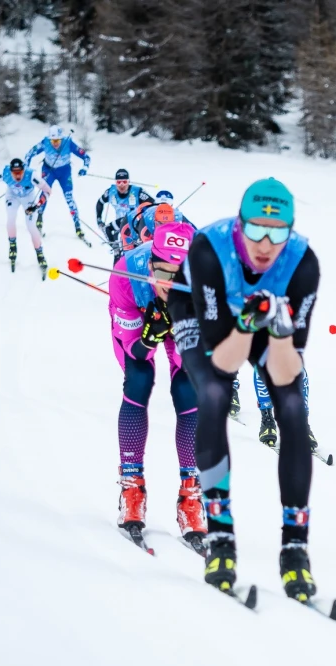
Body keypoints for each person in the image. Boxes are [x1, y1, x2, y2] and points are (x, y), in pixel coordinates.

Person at [166, 177, 321, 601]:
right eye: (255, 229)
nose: (266, 244)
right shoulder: (209, 249)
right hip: (202, 319)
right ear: (239, 223)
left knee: (292, 410)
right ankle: (220, 537)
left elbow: (288, 372)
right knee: (214, 396)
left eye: (277, 233)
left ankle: (295, 546)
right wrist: (249, 324)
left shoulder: (303, 263)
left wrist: (282, 331)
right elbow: (224, 361)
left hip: (263, 324)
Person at [108, 222, 207, 553]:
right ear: (150, 263)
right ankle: (132, 488)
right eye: (163, 270)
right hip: (138, 310)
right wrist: (149, 337)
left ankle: (191, 494)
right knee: (139, 378)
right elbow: (135, 351)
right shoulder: (127, 275)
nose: (170, 280)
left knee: (188, 389)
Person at [0, 157, 51, 279]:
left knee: (31, 226)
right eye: (15, 172)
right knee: (11, 218)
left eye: (20, 172)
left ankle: (39, 253)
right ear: (11, 171)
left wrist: (37, 206)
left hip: (28, 198)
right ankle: (12, 245)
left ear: (24, 170)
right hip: (12, 196)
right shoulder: (5, 173)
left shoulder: (31, 175)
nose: (18, 176)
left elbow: (47, 190)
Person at [24, 124, 90, 245]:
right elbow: (29, 154)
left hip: (64, 172)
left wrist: (84, 168)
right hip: (48, 170)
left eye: (57, 140)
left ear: (61, 138)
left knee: (69, 197)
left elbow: (86, 156)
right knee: (45, 194)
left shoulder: (68, 142)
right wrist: (26, 169)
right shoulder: (45, 142)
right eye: (52, 140)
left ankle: (77, 226)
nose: (55, 143)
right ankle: (39, 219)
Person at [114, 190, 192, 256]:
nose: (164, 227)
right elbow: (148, 249)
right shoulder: (147, 219)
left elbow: (192, 231)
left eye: (168, 224)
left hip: (149, 228)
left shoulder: (178, 216)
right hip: (129, 227)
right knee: (132, 255)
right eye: (160, 224)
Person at [95, 168, 152, 257]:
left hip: (134, 226)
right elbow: (100, 202)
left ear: (129, 182)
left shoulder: (137, 192)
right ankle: (116, 252)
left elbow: (152, 204)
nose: (121, 185)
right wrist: (99, 219)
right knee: (108, 232)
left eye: (124, 182)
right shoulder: (111, 192)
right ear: (115, 182)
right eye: (119, 182)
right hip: (119, 226)